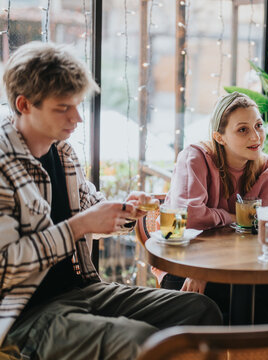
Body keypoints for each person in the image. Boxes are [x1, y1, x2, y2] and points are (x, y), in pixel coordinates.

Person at [0, 42, 222, 360]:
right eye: (63, 107)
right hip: (23, 315)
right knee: (141, 341)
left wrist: (127, 208)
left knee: (201, 310)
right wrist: (81, 226)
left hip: (83, 290)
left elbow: (91, 207)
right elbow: (5, 266)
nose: (77, 117)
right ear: (24, 104)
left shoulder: (63, 152)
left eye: (77, 104)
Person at [153, 92, 268, 324]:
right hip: (187, 266)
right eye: (243, 129)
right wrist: (231, 219)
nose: (256, 136)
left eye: (258, 125)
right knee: (264, 316)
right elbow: (188, 219)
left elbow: (260, 235)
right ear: (219, 137)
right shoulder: (195, 158)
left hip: (245, 266)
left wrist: (221, 219)